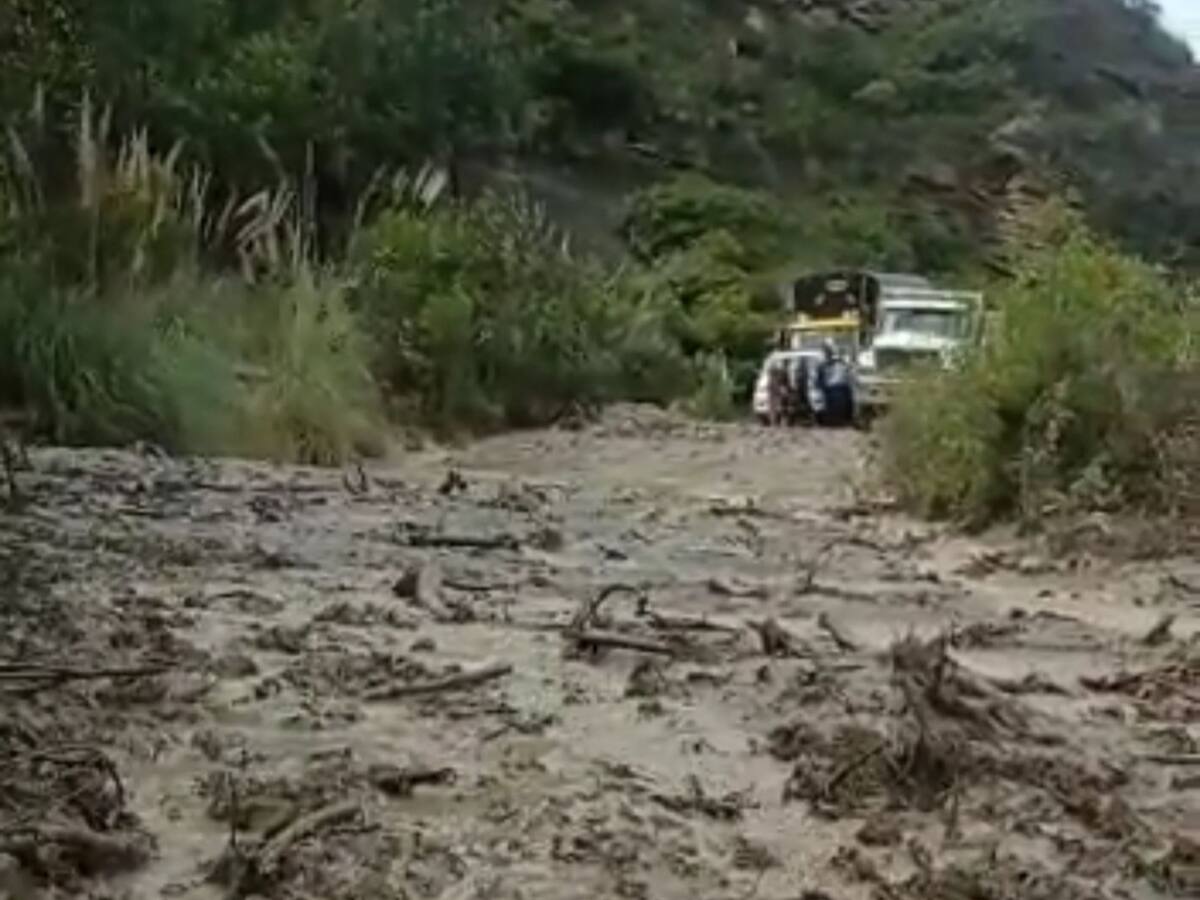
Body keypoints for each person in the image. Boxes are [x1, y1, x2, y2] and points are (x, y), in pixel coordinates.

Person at [815, 340, 854, 427]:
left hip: (834, 390)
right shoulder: (841, 362)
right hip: (837, 389)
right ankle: (848, 418)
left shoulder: (825, 364)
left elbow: (818, 381)